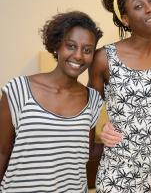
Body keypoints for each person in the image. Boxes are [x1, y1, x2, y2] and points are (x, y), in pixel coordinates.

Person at [88, 0, 151, 192]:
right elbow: (89, 111)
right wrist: (102, 132)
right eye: (139, 6)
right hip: (119, 175)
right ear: (125, 19)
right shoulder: (104, 58)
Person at [0, 11, 103, 192]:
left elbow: (84, 155)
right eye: (71, 46)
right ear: (57, 45)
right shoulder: (18, 89)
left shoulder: (93, 100)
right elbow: (1, 153)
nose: (79, 55)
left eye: (87, 50)